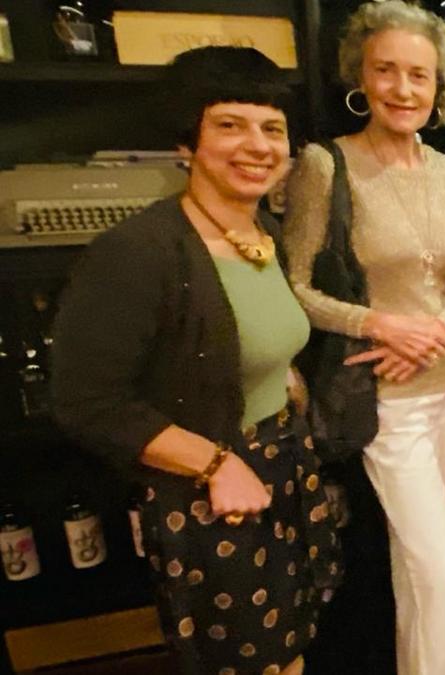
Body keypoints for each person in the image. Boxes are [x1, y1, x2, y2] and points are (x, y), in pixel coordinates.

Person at [51, 46, 340, 675]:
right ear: (188, 142)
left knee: (291, 649)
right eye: (229, 124)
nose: (257, 145)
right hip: (210, 493)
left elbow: (251, 343)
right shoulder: (142, 251)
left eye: (272, 129)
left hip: (281, 466)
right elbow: (85, 401)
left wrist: (286, 385)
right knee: (250, 662)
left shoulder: (263, 235)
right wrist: (214, 462)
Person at [281, 2, 445, 673]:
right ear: (360, 77)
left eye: (418, 75)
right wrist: (379, 323)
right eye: (386, 70)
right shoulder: (325, 165)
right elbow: (294, 287)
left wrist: (440, 327)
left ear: (439, 84)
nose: (402, 88)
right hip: (388, 399)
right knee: (433, 566)